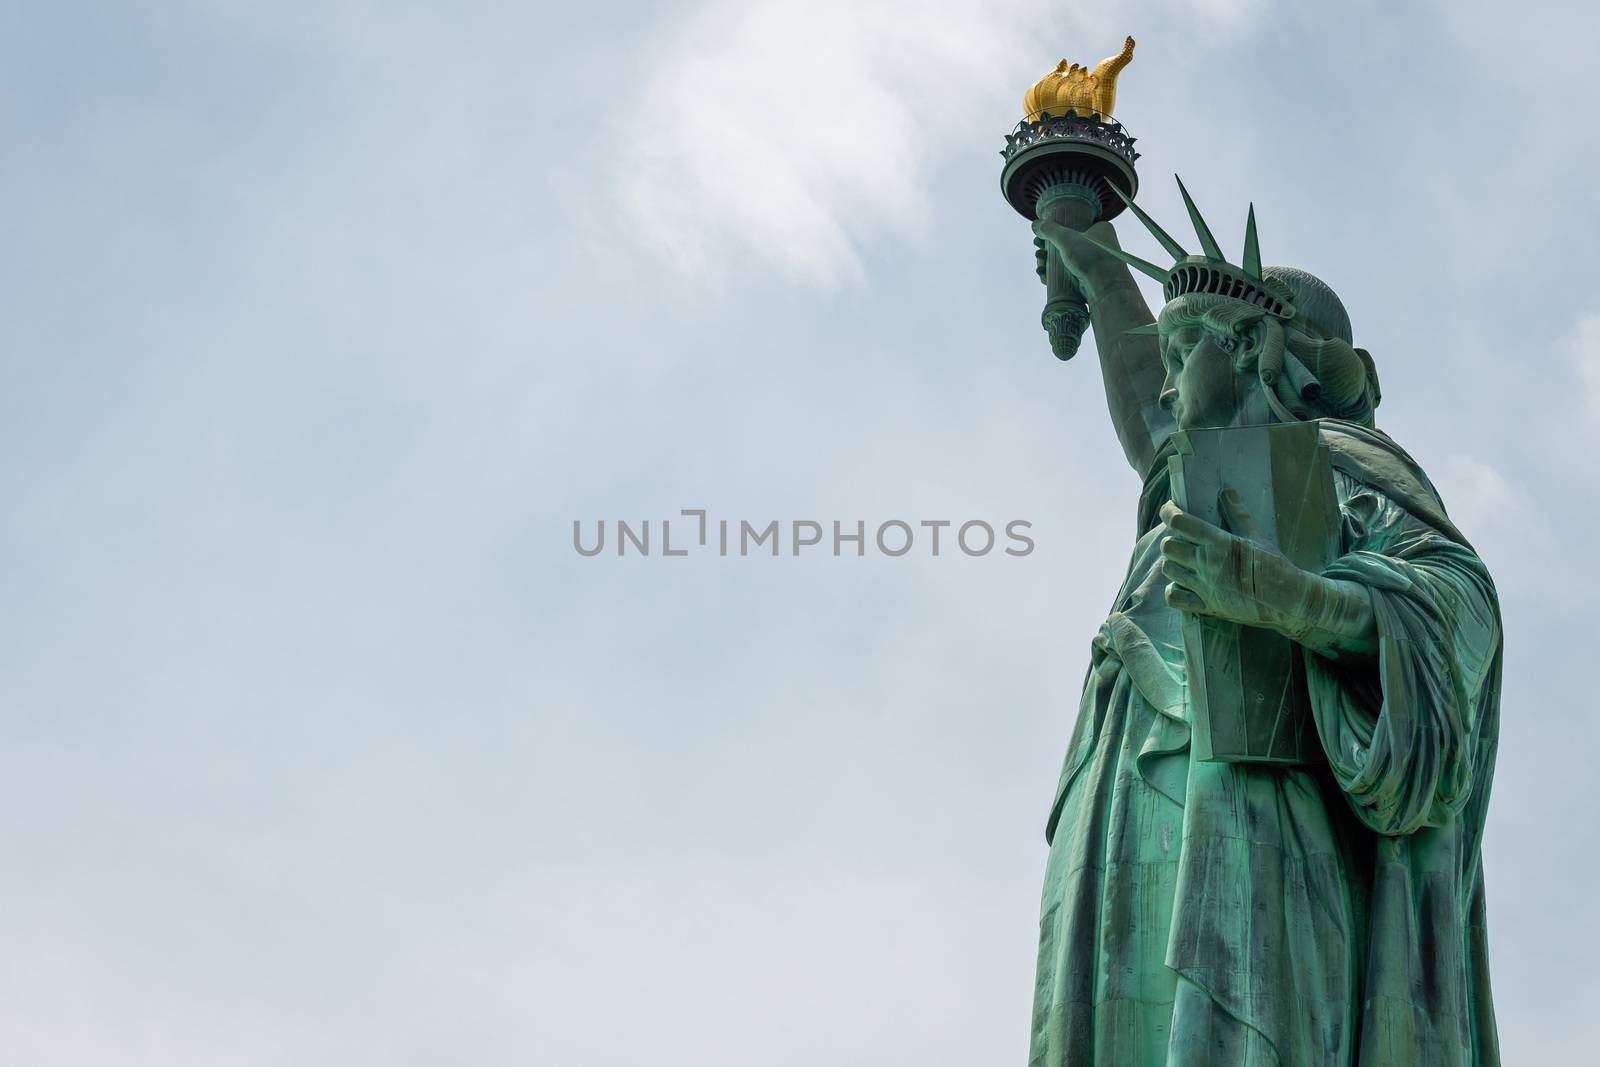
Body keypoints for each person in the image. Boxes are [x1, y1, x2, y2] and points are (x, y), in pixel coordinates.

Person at [1026, 179, 1502, 1066]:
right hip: (1126, 796)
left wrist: (1288, 598)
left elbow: (1459, 606)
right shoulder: (1192, 477)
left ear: (1254, 346)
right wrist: (1085, 243)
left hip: (1260, 807)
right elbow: (1149, 414)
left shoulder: (1337, 465)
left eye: (1183, 350)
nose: (1164, 378)